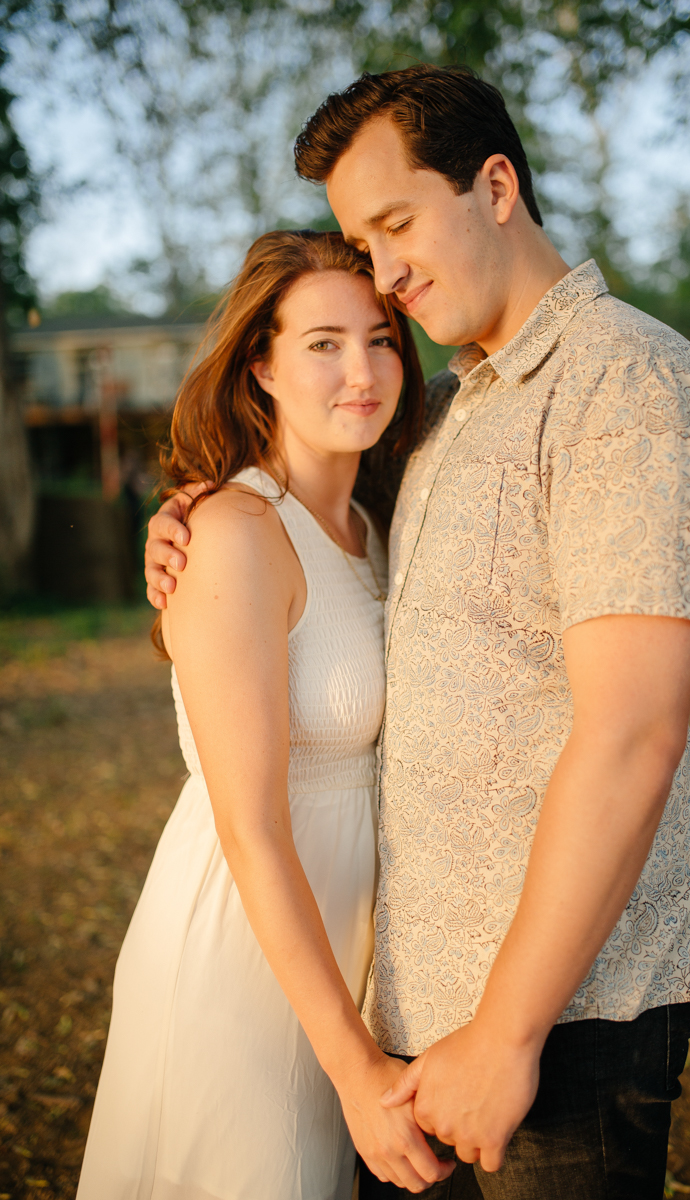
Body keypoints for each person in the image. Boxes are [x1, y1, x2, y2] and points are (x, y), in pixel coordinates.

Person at [145, 67, 690, 1199]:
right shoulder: (448, 411)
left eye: (395, 224)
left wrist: (507, 1032)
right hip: (415, 1011)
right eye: (361, 245)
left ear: (496, 184)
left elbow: (629, 737)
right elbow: (301, 526)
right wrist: (189, 519)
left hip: (562, 1013)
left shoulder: (623, 383)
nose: (386, 273)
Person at [78, 229, 459, 1199]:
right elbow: (249, 828)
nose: (363, 371)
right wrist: (350, 1064)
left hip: (352, 946)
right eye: (322, 344)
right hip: (242, 948)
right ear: (261, 365)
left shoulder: (376, 522)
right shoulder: (235, 533)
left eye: (379, 338)